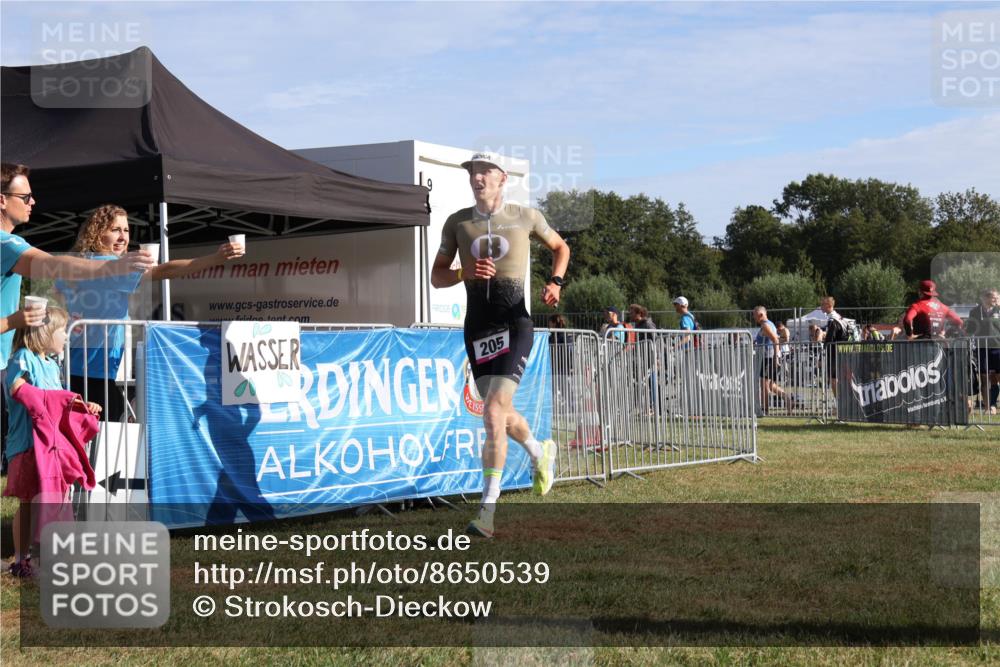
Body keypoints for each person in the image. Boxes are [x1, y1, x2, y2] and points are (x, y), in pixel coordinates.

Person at [431, 152, 570, 538]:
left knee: (493, 411)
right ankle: (541, 453)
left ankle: (487, 514)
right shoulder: (457, 222)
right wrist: (463, 271)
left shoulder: (525, 216)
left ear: (501, 178)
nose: (477, 177)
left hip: (515, 323)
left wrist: (555, 282)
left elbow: (561, 248)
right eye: (473, 172)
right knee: (500, 414)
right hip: (477, 328)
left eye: (484, 172)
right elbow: (436, 277)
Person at [2, 163, 152, 470]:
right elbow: (52, 266)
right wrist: (113, 266)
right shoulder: (6, 243)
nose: (33, 202)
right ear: (2, 200)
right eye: (26, 196)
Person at [56, 204, 244, 420]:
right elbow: (166, 270)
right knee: (103, 439)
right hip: (93, 375)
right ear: (97, 233)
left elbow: (59, 296)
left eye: (126, 230)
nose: (122, 237)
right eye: (114, 229)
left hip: (77, 370)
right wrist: (215, 259)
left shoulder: (81, 262)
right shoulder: (110, 265)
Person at [2, 306, 102, 577]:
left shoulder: (52, 365)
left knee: (51, 501)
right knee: (27, 502)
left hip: (51, 450)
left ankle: (51, 556)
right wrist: (57, 400)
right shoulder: (22, 358)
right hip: (26, 447)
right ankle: (21, 560)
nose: (66, 337)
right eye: (62, 331)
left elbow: (60, 405)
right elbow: (17, 388)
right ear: (44, 332)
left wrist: (82, 406)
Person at [968, 288, 1000, 415]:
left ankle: (993, 404)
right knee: (985, 378)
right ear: (985, 298)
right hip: (982, 348)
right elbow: (970, 329)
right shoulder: (975, 312)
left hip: (998, 348)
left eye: (997, 297)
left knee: (997, 377)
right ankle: (988, 407)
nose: (996, 300)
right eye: (994, 297)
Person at [753, 305, 788, 414]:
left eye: (754, 315)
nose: (753, 317)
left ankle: (765, 410)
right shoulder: (770, 324)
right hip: (768, 356)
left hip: (768, 357)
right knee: (769, 385)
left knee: (764, 385)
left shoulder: (765, 326)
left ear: (760, 315)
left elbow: (774, 339)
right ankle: (788, 400)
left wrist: (776, 356)